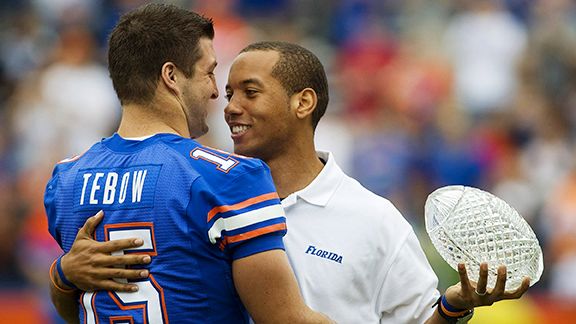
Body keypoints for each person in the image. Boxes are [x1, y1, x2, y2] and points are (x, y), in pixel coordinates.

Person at [52, 40, 530, 323]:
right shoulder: (199, 192)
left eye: (250, 92)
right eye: (229, 90)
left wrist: (451, 308)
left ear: (304, 103)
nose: (230, 105)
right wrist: (64, 275)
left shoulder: (372, 219)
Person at [44, 4, 331, 324]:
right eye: (209, 73)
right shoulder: (227, 177)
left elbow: (86, 306)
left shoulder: (66, 179)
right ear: (171, 76)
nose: (213, 92)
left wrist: (61, 275)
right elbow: (284, 319)